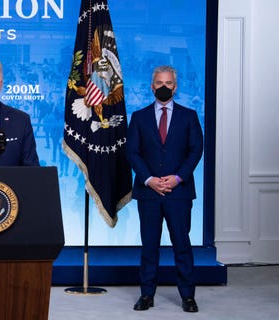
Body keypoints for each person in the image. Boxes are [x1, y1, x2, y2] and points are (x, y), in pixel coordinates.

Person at [126, 66, 203, 313]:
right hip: (148, 192)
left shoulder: (189, 116)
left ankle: (188, 297)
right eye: (159, 82)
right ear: (151, 86)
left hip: (179, 192)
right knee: (149, 245)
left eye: (168, 83)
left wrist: (178, 178)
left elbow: (196, 150)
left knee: (182, 243)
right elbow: (132, 152)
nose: (163, 87)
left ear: (175, 86)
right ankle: (147, 295)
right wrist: (149, 179)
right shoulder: (138, 117)